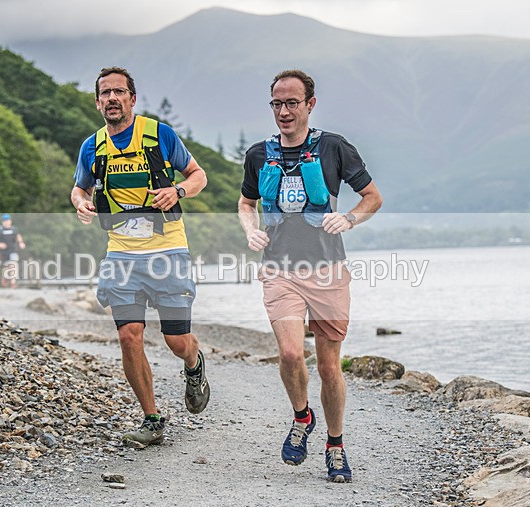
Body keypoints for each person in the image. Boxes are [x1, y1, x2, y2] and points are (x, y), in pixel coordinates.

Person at [238, 69, 383, 482]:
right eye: (277, 104)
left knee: (328, 365)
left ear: (309, 105)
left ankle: (335, 445)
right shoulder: (258, 154)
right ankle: (303, 417)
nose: (283, 111)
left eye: (292, 103)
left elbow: (373, 197)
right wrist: (250, 229)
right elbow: (246, 202)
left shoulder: (334, 147)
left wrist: (349, 219)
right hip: (279, 269)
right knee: (288, 354)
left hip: (328, 270)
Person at [71, 66, 210, 448]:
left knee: (176, 340)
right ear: (97, 101)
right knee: (129, 335)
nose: (112, 98)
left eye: (120, 91)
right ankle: (152, 420)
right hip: (121, 254)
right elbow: (79, 188)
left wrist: (178, 191)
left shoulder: (160, 134)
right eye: (105, 93)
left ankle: (194, 364)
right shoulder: (91, 146)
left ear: (132, 98)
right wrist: (82, 202)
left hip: (167, 249)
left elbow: (198, 175)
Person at [0, 213, 25, 288]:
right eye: (5, 221)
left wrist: (21, 243)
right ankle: (5, 279)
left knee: (13, 264)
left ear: (10, 221)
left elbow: (18, 236)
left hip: (13, 251)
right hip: (3, 252)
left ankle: (13, 283)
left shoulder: (14, 229)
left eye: (8, 220)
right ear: (3, 222)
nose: (7, 222)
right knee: (6, 267)